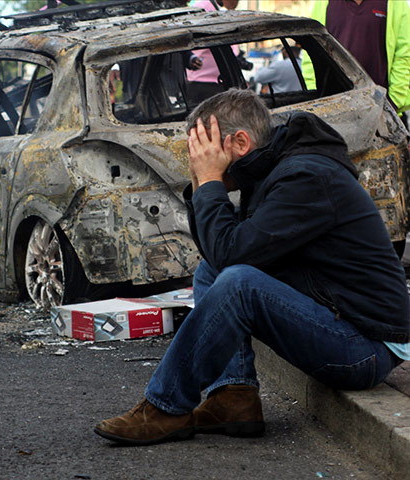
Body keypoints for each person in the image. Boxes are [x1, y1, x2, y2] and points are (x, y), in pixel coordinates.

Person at [94, 88, 410, 445]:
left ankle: (166, 406)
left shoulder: (305, 177)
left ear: (240, 142)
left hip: (366, 349)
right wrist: (203, 183)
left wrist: (210, 181)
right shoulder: (272, 169)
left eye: (202, 150)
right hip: (336, 318)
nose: (196, 159)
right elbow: (221, 254)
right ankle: (233, 397)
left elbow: (234, 257)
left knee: (238, 282)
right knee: (212, 274)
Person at [302, 0, 409, 116]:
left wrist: (392, 103)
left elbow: (404, 55)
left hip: (382, 112)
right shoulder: (324, 3)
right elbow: (312, 51)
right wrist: (317, 103)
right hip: (335, 113)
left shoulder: (395, 3)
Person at [186, 0, 251, 105]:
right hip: (204, 82)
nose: (236, 2)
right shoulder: (203, 7)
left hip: (216, 81)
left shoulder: (214, 9)